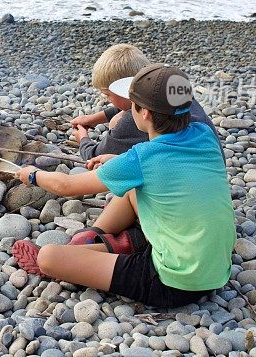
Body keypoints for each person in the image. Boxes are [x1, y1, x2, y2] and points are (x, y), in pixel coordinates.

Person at [12, 64, 235, 307]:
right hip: (217, 268)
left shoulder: (142, 157)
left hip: (173, 282)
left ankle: (91, 256)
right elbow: (169, 171)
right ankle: (97, 237)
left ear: (145, 113)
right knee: (132, 187)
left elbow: (66, 185)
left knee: (48, 257)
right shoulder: (204, 134)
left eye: (132, 106)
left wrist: (33, 175)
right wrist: (117, 162)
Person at [69, 45, 221, 248]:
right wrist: (94, 119)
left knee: (133, 180)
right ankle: (102, 235)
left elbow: (93, 156)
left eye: (107, 95)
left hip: (176, 225)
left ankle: (133, 238)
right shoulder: (174, 98)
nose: (107, 99)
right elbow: (122, 105)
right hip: (206, 190)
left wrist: (83, 137)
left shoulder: (137, 134)